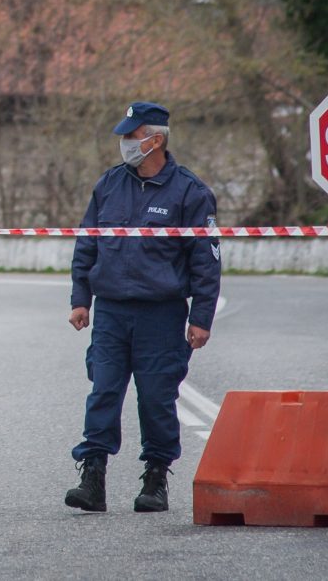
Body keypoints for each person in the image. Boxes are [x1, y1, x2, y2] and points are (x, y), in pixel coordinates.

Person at [65, 101, 221, 513]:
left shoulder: (190, 191)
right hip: (112, 311)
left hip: (161, 313)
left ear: (155, 139)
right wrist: (81, 299)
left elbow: (206, 260)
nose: (125, 144)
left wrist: (200, 317)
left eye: (131, 136)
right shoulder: (109, 185)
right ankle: (92, 477)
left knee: (156, 397)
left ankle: (155, 477)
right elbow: (87, 244)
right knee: (103, 391)